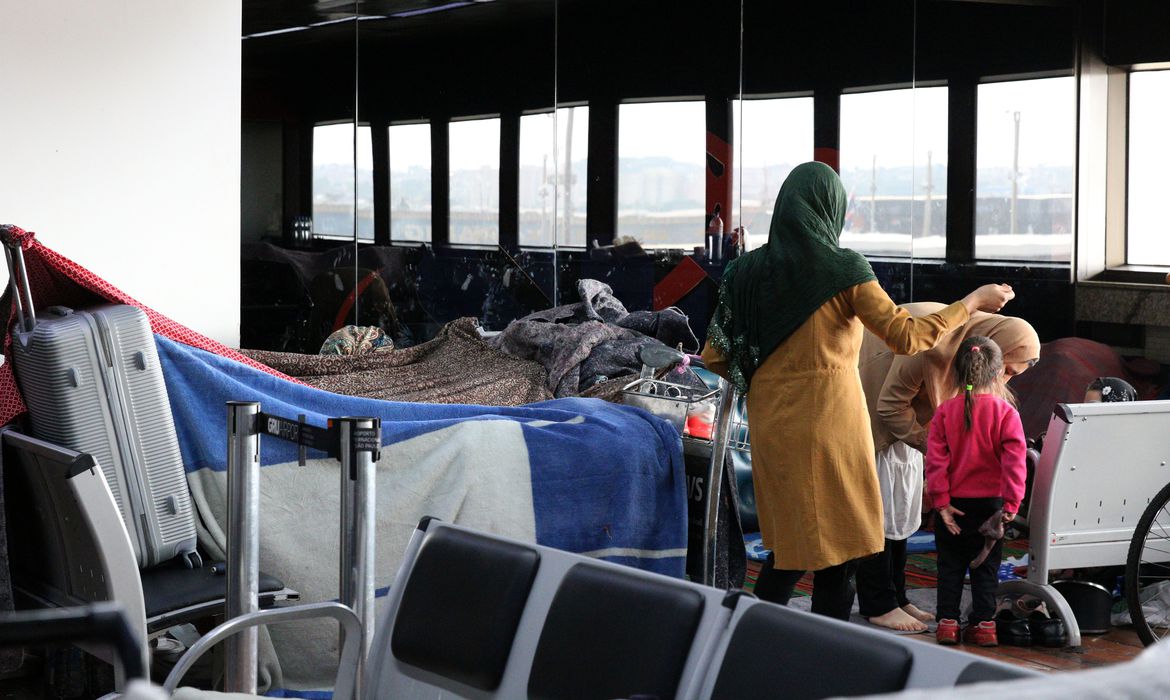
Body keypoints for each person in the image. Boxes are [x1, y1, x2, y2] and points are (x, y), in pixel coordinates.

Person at [701, 161, 1015, 620]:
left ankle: (746, 634)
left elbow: (716, 355)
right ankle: (829, 644)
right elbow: (907, 336)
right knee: (843, 540)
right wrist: (970, 304)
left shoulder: (744, 273)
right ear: (831, 210)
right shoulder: (844, 268)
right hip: (832, 423)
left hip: (772, 423)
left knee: (792, 540)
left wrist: (769, 384)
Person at [855, 306, 1039, 632]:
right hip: (879, 422)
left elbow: (940, 451)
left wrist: (940, 492)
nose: (1005, 379)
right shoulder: (935, 343)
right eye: (1005, 370)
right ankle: (879, 603)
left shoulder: (955, 395)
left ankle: (905, 600)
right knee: (879, 517)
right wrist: (1011, 503)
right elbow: (889, 405)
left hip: (917, 447)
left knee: (902, 521)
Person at [927, 336, 1028, 646]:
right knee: (986, 567)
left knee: (949, 566)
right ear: (998, 373)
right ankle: (984, 626)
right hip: (992, 507)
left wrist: (941, 503)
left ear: (957, 374)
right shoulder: (1006, 413)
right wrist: (1012, 503)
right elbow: (1015, 460)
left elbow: (936, 461)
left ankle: (947, 624)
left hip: (954, 507)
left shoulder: (945, 412)